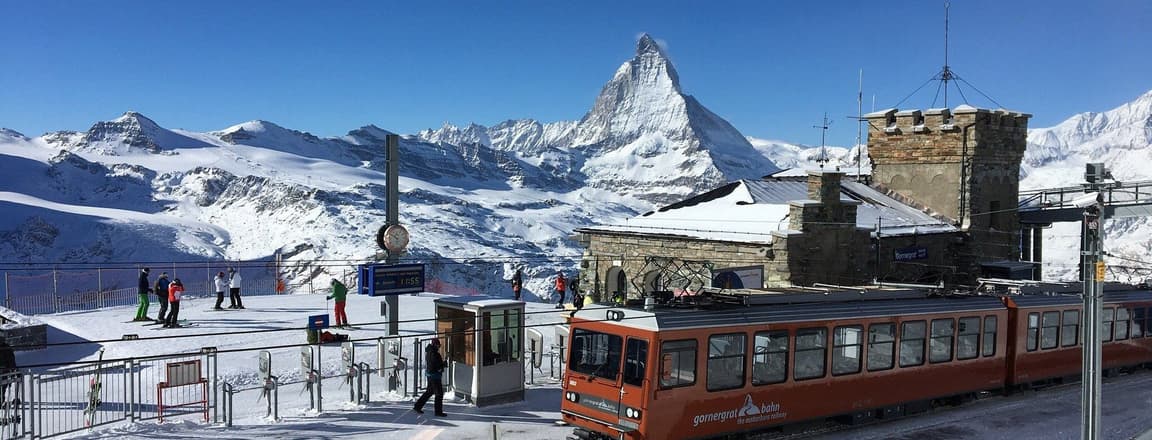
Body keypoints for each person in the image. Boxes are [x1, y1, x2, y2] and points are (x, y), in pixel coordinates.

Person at [413, 338, 447, 417]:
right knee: (439, 394)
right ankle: (438, 412)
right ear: (435, 345)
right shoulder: (434, 354)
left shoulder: (429, 351)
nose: (439, 347)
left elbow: (434, 363)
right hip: (434, 376)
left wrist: (441, 365)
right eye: (438, 345)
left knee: (429, 392)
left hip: (430, 375)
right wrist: (443, 365)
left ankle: (417, 406)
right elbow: (436, 365)